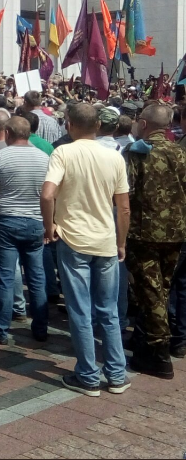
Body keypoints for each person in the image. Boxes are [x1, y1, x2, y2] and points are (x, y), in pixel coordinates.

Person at [41, 103, 131, 396]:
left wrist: (49, 225)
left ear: (69, 124)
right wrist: (121, 241)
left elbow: (47, 193)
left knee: (80, 310)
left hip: (74, 239)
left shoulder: (63, 152)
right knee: (109, 310)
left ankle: (89, 375)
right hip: (105, 239)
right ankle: (116, 374)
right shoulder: (114, 156)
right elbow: (124, 206)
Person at [124, 105, 186, 378]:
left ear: (145, 124)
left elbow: (127, 191)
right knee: (161, 288)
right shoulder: (180, 152)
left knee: (151, 292)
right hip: (176, 233)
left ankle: (159, 354)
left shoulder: (137, 153)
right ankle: (145, 342)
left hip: (144, 233)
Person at [0, 116, 50, 344]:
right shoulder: (44, 157)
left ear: (7, 132)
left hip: (7, 220)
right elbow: (50, 195)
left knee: (6, 278)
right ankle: (40, 328)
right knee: (36, 277)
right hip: (35, 221)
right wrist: (49, 223)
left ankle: (0, 329)